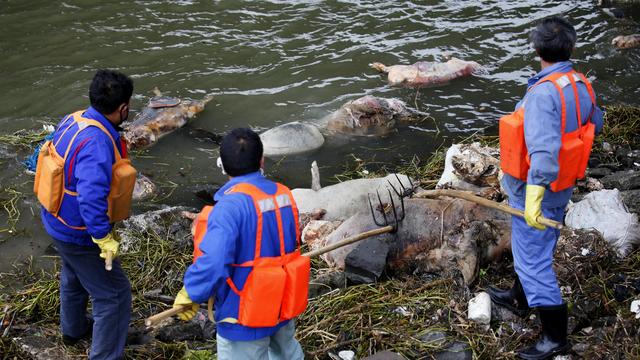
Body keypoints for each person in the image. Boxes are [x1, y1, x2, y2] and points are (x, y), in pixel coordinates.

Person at [489, 16, 604, 360]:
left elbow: (543, 155)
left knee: (534, 262)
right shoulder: (579, 83)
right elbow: (595, 121)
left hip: (535, 188)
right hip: (562, 186)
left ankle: (555, 338)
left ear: (537, 49)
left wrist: (534, 198)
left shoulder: (542, 95)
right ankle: (519, 298)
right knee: (531, 251)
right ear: (570, 47)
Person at [173, 128, 306, 360]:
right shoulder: (283, 195)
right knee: (287, 353)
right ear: (262, 160)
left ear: (222, 166)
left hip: (246, 311)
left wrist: (192, 292)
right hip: (282, 300)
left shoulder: (228, 208)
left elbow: (214, 263)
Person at [36, 69, 136, 360]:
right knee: (114, 295)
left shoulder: (74, 119)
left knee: (74, 277)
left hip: (55, 220)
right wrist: (103, 237)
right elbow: (91, 198)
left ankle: (74, 330)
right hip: (78, 232)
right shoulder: (96, 143)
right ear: (123, 108)